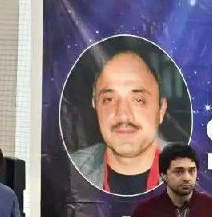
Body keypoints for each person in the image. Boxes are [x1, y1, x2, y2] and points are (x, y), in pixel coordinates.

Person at [70, 50, 169, 195]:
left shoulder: (196, 175)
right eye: (109, 99)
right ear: (95, 106)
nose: (123, 115)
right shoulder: (68, 172)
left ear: (161, 110)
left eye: (138, 100)